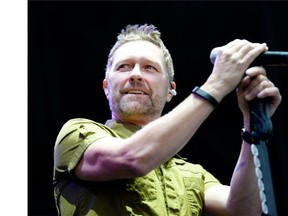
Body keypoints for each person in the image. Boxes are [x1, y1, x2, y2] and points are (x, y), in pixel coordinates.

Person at [53, 24, 282, 216]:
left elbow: (242, 210)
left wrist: (253, 122)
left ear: (170, 91)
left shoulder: (193, 176)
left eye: (149, 68)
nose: (135, 74)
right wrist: (216, 85)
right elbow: (133, 158)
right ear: (106, 86)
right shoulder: (77, 134)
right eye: (124, 66)